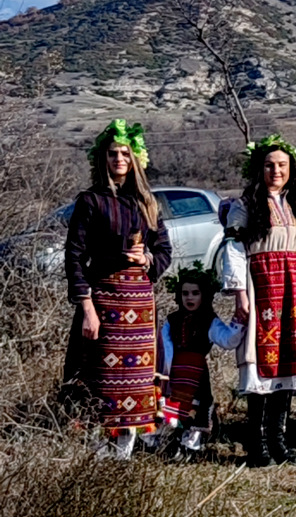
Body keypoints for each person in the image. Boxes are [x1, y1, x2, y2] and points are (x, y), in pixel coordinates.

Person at [63, 121, 172, 459]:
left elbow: (164, 250)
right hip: (103, 301)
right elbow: (74, 256)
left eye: (125, 153)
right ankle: (95, 458)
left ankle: (123, 458)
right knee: (99, 379)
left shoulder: (147, 203)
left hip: (140, 307)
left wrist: (147, 258)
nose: (119, 159)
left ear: (136, 158)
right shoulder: (91, 201)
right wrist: (87, 309)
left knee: (136, 381)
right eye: (113, 153)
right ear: (103, 158)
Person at [219, 134, 296, 467]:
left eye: (282, 165)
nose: (276, 171)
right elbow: (234, 248)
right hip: (263, 285)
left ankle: (279, 442)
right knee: (262, 360)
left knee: (290, 360)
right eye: (269, 165)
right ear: (258, 169)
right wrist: (239, 292)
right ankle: (257, 444)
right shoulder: (245, 205)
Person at [155, 265, 243, 459]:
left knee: (197, 407)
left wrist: (239, 321)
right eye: (185, 293)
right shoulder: (172, 320)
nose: (190, 298)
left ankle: (191, 447)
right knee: (171, 408)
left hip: (197, 374)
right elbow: (164, 347)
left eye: (195, 293)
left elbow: (227, 340)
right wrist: (164, 374)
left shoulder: (209, 320)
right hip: (174, 373)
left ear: (204, 295)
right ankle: (169, 444)